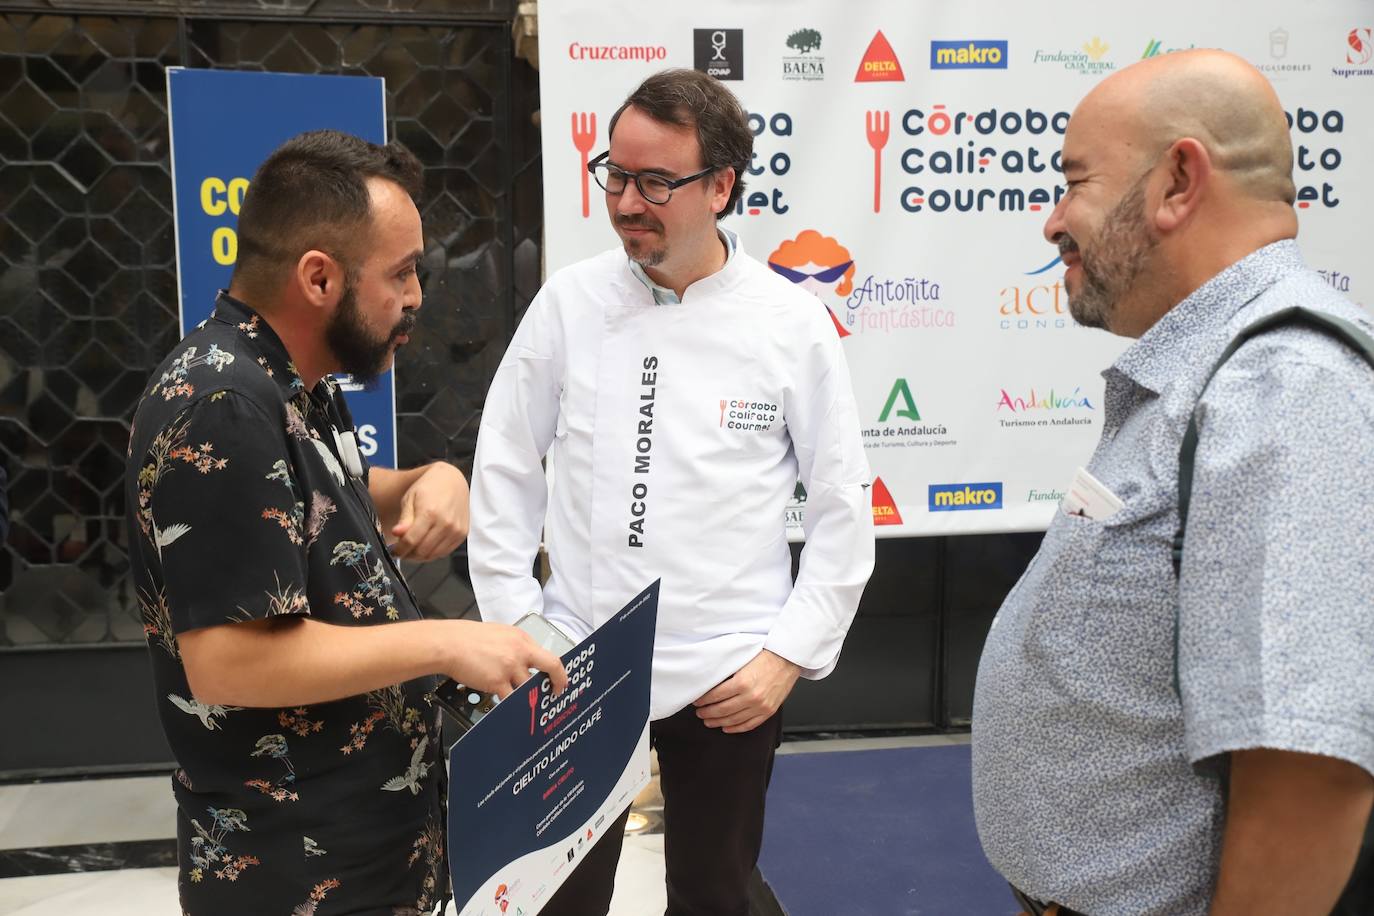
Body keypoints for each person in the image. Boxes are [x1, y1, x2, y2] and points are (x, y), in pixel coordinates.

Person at [972, 50, 1374, 916]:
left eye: (1075, 181)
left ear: (1178, 182)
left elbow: (1309, 777)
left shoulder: (1282, 387)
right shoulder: (1218, 375)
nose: (1052, 221)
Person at [124, 130, 567, 915]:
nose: (418, 296)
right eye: (400, 274)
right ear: (319, 277)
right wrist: (447, 641)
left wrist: (434, 478)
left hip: (362, 844)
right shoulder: (222, 406)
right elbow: (230, 661)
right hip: (292, 868)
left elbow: (319, 493)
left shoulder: (286, 379)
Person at [468, 69, 875, 915]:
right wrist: (518, 623)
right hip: (577, 656)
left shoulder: (788, 322)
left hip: (728, 669)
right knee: (558, 898)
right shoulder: (569, 305)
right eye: (615, 176)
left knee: (715, 894)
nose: (626, 202)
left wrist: (786, 656)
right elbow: (505, 468)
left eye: (656, 182)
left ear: (721, 186)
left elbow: (842, 504)